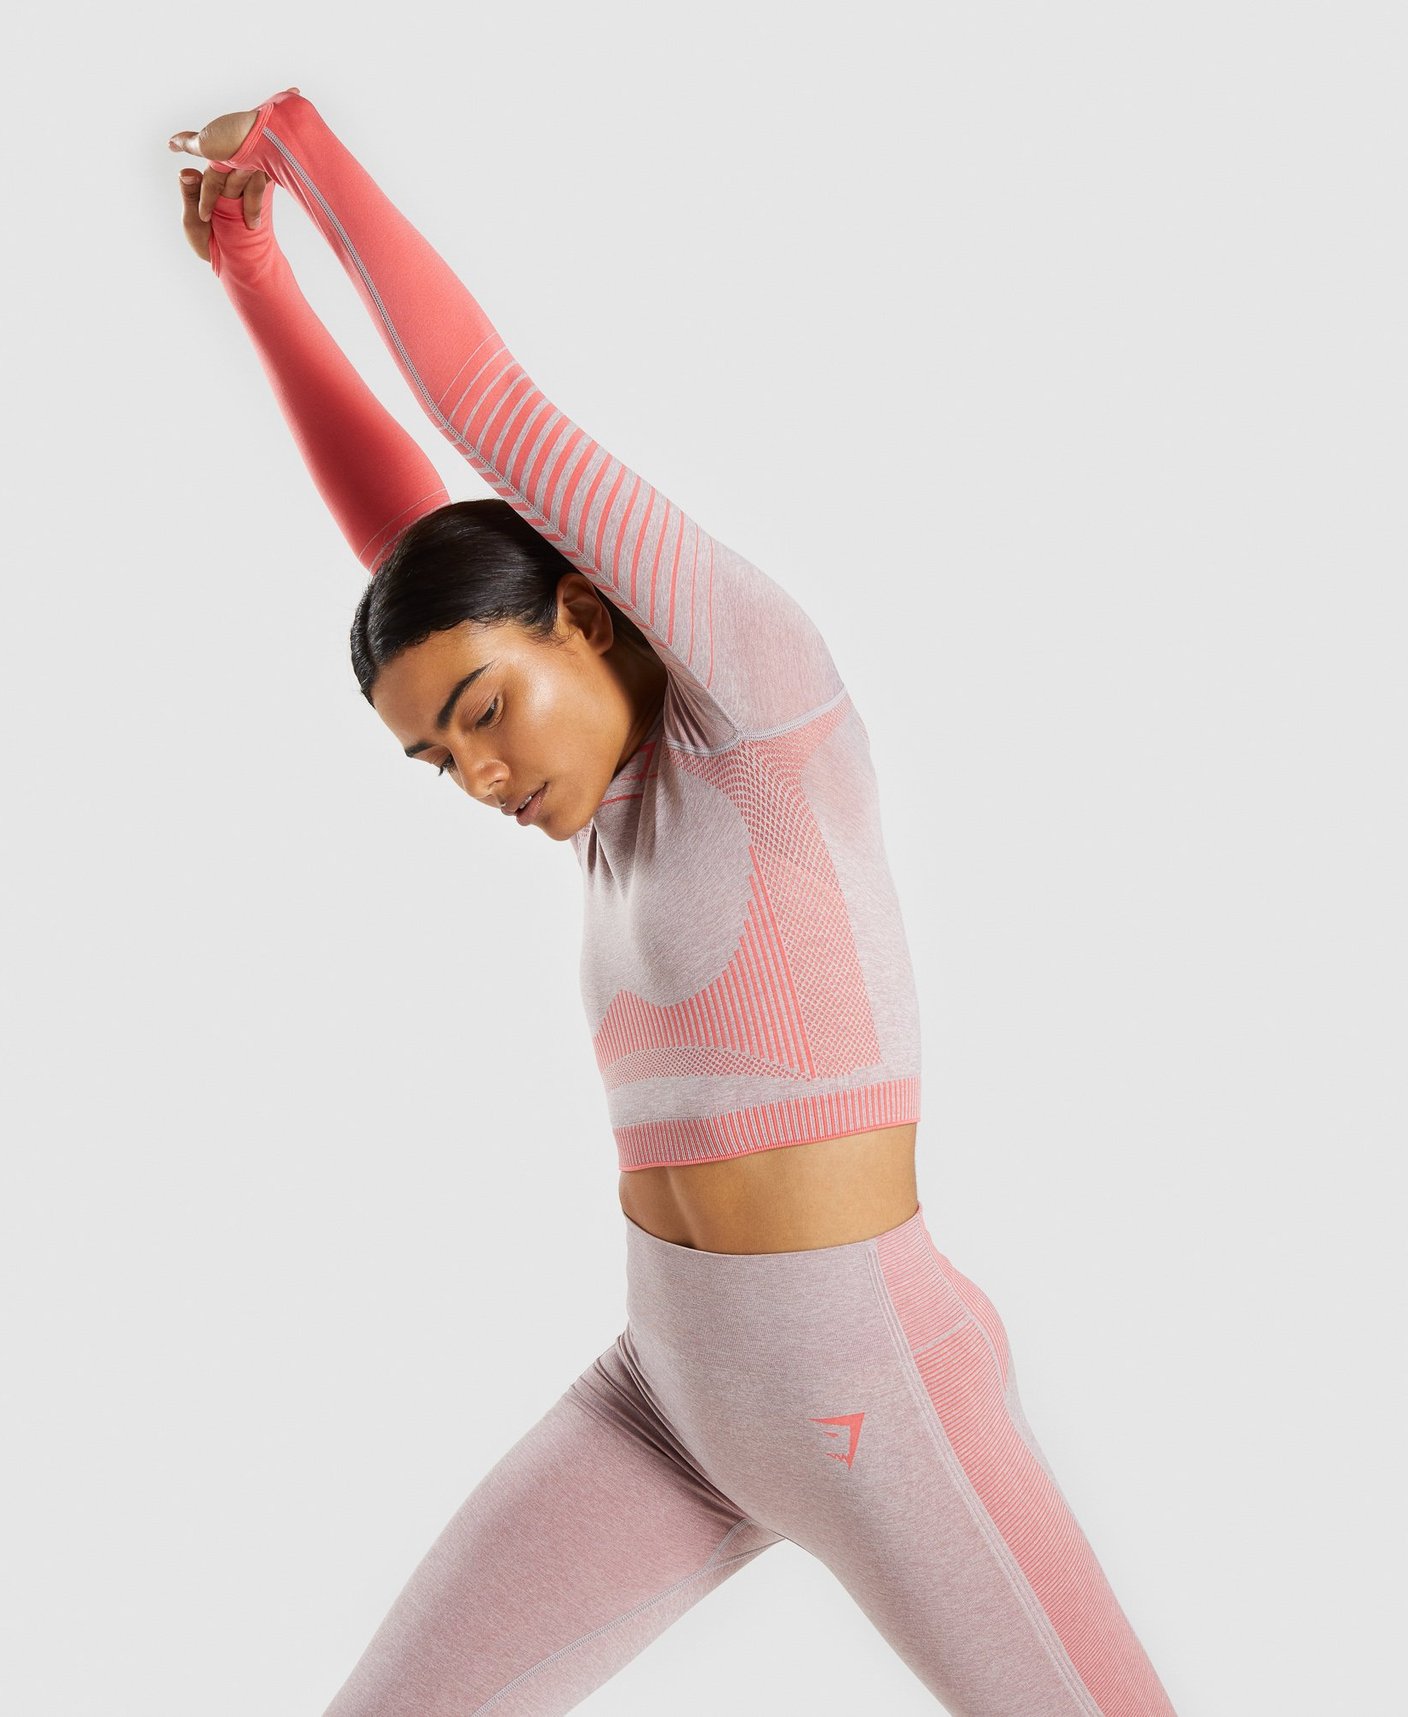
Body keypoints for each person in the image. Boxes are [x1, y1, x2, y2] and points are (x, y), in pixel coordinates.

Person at [167, 87, 1178, 1717]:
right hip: (664, 1403)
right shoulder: (603, 803)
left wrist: (299, 142)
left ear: (586, 611)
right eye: (438, 759)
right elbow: (417, 555)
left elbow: (487, 411)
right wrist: (254, 277)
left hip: (873, 1396)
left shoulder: (757, 718)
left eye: (485, 715)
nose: (480, 774)